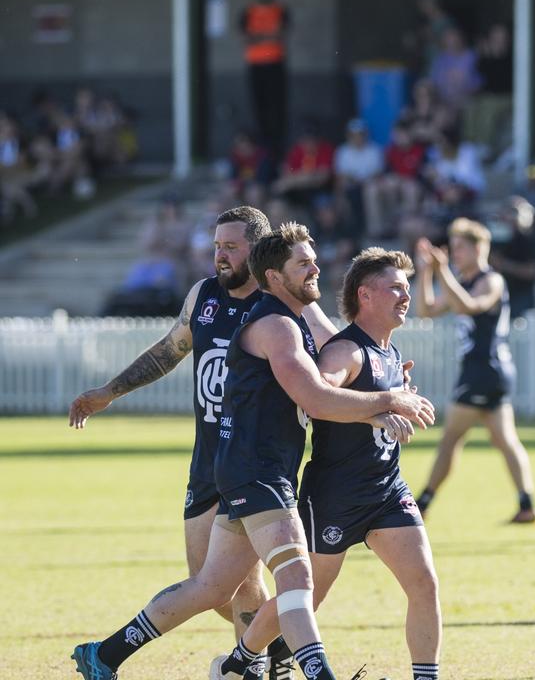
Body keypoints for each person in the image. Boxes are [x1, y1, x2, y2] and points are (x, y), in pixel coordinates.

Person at [71, 223, 435, 680]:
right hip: (257, 472)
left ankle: (103, 655)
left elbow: (338, 370)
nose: (315, 269)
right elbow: (316, 398)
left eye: (313, 259)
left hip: (254, 468)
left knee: (210, 586)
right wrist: (387, 401)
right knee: (296, 579)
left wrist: (381, 388)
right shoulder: (277, 327)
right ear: (276, 276)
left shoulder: (293, 319)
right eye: (303, 263)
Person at [68, 206, 301, 676]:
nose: (219, 256)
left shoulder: (279, 303)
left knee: (220, 584)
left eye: (231, 247)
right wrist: (109, 392)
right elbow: (168, 351)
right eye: (216, 246)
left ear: (256, 251)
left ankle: (255, 660)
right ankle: (272, 651)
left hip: (257, 462)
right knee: (214, 584)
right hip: (209, 461)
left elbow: (327, 354)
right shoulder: (204, 296)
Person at [211, 248, 442, 680]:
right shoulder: (345, 352)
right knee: (302, 599)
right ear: (365, 295)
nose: (405, 295)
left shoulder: (389, 353)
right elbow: (318, 398)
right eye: (395, 287)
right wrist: (383, 405)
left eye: (407, 287)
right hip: (334, 497)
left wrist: (393, 398)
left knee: (424, 583)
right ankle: (240, 660)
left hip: (387, 490)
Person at [414, 219, 535, 523]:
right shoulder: (460, 280)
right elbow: (426, 311)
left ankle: (423, 502)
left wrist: (442, 271)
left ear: (480, 247)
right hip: (488, 371)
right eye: (452, 248)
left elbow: (471, 305)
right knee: (505, 440)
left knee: (451, 439)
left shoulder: (490, 280)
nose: (454, 254)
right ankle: (526, 503)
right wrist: (427, 271)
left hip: (483, 369)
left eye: (460, 247)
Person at [240, 0, 290, 159]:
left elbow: (281, 35)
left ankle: (278, 150)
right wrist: (268, 35)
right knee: (259, 108)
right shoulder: (248, 11)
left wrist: (258, 36)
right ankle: (263, 149)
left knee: (277, 109)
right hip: (256, 64)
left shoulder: (280, 9)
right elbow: (245, 38)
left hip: (275, 63)